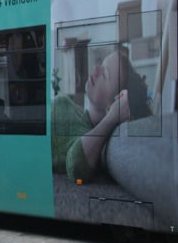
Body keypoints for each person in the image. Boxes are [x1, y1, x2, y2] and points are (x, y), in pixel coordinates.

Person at [51, 48, 151, 183]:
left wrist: (111, 118)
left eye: (105, 74)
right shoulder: (72, 110)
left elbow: (76, 168)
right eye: (101, 64)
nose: (96, 69)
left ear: (113, 105)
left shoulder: (89, 142)